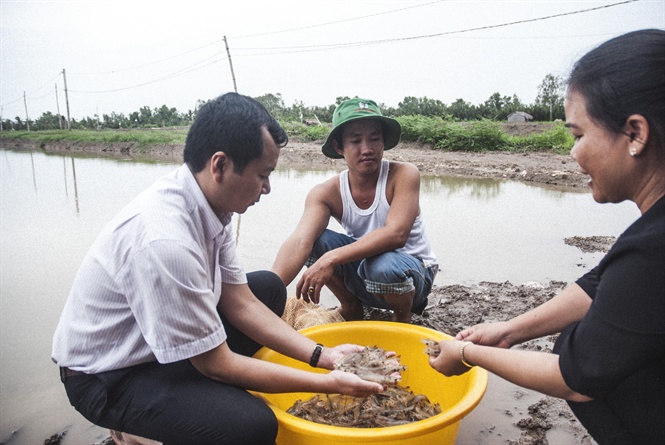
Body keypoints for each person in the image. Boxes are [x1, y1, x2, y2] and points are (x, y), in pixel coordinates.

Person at [51, 93, 386, 445]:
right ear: (220, 165)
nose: (268, 188)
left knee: (268, 288)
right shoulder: (165, 240)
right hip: (109, 376)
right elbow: (215, 363)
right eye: (263, 175)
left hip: (159, 348)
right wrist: (326, 382)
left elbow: (240, 302)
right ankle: (132, 428)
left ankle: (187, 406)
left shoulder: (213, 206)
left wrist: (325, 357)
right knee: (252, 426)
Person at [429, 29, 665, 444]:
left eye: (578, 135)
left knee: (580, 348)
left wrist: (468, 353)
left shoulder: (655, 248)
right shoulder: (650, 234)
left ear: (635, 133)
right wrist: (507, 331)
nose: (572, 154)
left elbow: (576, 378)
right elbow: (604, 282)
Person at [272, 98, 438, 323]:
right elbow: (300, 241)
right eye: (355, 141)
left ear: (383, 142)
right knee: (317, 241)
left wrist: (331, 259)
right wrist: (269, 290)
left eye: (374, 139)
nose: (367, 149)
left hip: (412, 275)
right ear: (340, 147)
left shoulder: (404, 175)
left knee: (383, 265)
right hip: (366, 272)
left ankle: (402, 318)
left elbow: (396, 235)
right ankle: (351, 306)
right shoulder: (326, 192)